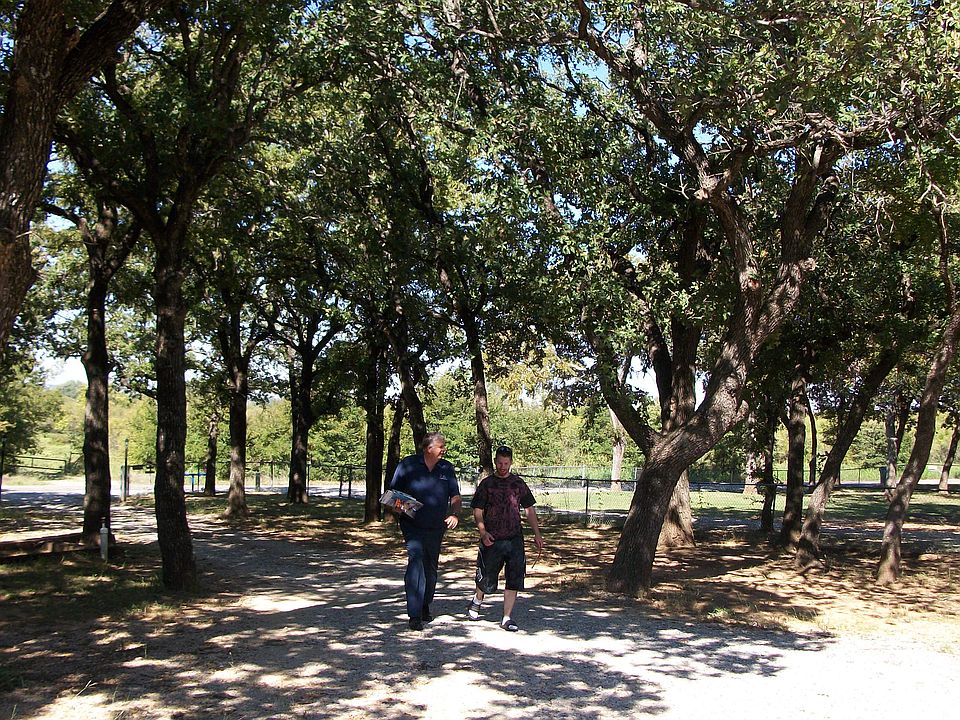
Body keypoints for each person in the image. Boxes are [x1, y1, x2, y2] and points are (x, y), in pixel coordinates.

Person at [388, 431, 462, 631]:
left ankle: (425, 604)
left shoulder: (447, 468)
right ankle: (414, 614)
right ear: (429, 448)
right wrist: (407, 509)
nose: (443, 450)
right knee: (416, 559)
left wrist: (454, 514)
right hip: (411, 526)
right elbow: (392, 495)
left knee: (430, 566)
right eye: (441, 447)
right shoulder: (407, 465)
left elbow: (455, 497)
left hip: (436, 526)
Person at [467, 445, 544, 632]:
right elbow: (478, 511)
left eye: (506, 463)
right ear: (495, 462)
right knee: (486, 576)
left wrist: (537, 533)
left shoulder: (518, 484)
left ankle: (507, 617)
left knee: (514, 577)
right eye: (500, 463)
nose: (503, 466)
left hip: (514, 537)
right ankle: (477, 599)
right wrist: (483, 532)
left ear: (511, 462)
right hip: (492, 538)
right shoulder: (487, 484)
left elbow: (529, 509)